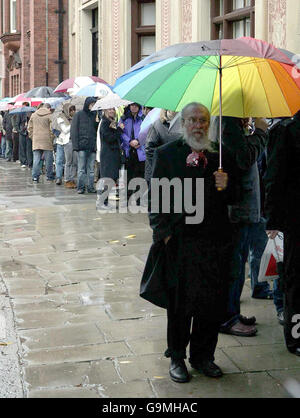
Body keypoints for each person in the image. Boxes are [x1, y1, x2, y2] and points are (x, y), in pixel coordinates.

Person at [141, 102, 239, 382]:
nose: (199, 125)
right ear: (183, 124)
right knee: (181, 305)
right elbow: (156, 199)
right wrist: (164, 235)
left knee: (211, 303)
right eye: (193, 120)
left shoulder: (221, 156)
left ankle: (203, 356)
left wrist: (225, 185)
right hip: (181, 243)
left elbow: (234, 198)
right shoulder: (167, 154)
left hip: (215, 243)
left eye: (204, 120)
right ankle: (177, 357)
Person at [215, 116, 268, 337]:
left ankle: (232, 312)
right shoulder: (227, 122)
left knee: (239, 264)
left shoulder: (233, 124)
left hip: (243, 209)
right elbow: (244, 158)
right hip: (237, 209)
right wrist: (261, 132)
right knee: (234, 267)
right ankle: (227, 318)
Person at [264, 109, 300, 357]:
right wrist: (273, 221)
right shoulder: (286, 131)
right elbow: (274, 177)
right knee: (295, 280)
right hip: (294, 219)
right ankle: (296, 336)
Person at [145, 109, 182, 184]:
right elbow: (150, 149)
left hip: (177, 171)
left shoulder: (185, 124)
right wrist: (162, 165)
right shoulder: (157, 125)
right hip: (159, 172)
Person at [96, 107, 124, 210]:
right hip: (108, 156)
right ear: (105, 111)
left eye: (113, 109)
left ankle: (104, 201)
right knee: (108, 179)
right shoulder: (104, 122)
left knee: (111, 179)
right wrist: (119, 130)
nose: (112, 111)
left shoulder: (111, 122)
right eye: (109, 109)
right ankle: (102, 202)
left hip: (113, 155)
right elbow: (109, 138)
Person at [71, 97, 98, 194]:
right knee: (81, 169)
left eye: (94, 104)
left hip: (92, 146)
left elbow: (97, 129)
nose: (92, 106)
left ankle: (90, 187)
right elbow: (74, 130)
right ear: (87, 104)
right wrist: (75, 146)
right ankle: (81, 187)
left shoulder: (95, 115)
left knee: (91, 169)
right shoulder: (79, 115)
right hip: (82, 146)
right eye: (91, 104)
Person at [120, 103, 145, 204]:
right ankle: (128, 197)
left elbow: (146, 131)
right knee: (129, 175)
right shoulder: (124, 118)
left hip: (140, 150)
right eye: (132, 105)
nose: (133, 107)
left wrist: (139, 141)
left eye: (135, 105)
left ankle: (139, 199)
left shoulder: (143, 118)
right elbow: (121, 132)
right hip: (129, 150)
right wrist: (129, 141)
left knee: (140, 175)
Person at [28, 103, 55, 183]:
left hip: (36, 139)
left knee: (36, 159)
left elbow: (29, 128)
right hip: (47, 139)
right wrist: (51, 137)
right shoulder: (49, 115)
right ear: (48, 108)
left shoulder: (33, 115)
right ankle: (49, 176)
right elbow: (52, 129)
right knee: (49, 160)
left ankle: (35, 177)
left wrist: (32, 137)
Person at [55, 103, 77, 188]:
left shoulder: (74, 118)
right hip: (67, 141)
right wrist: (73, 123)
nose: (73, 112)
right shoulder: (61, 118)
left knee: (75, 162)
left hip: (74, 140)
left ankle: (73, 179)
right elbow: (65, 130)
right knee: (68, 161)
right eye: (71, 110)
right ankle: (67, 180)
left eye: (74, 110)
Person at [17, 102, 32, 168]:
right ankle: (23, 162)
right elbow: (17, 123)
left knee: (29, 148)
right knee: (22, 148)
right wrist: (20, 130)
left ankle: (29, 162)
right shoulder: (20, 113)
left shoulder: (31, 113)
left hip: (29, 133)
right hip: (22, 133)